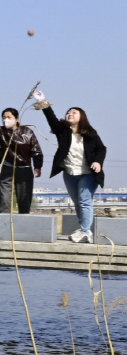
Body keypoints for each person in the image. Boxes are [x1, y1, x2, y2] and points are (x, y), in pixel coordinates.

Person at [34, 90, 106, 243]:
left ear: (82, 117)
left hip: (88, 173)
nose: (70, 114)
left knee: (85, 200)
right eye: (68, 112)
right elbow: (52, 119)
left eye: (74, 112)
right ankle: (83, 229)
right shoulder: (63, 132)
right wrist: (44, 103)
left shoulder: (90, 133)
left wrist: (98, 162)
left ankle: (86, 232)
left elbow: (102, 148)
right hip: (69, 172)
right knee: (77, 201)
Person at [0, 90, 44, 215]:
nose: (6, 120)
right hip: (7, 168)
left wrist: (37, 166)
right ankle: (4, 226)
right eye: (4, 117)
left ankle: (23, 224)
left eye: (9, 117)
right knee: (5, 198)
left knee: (24, 198)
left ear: (17, 119)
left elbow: (36, 150)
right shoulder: (1, 132)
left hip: (24, 169)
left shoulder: (27, 132)